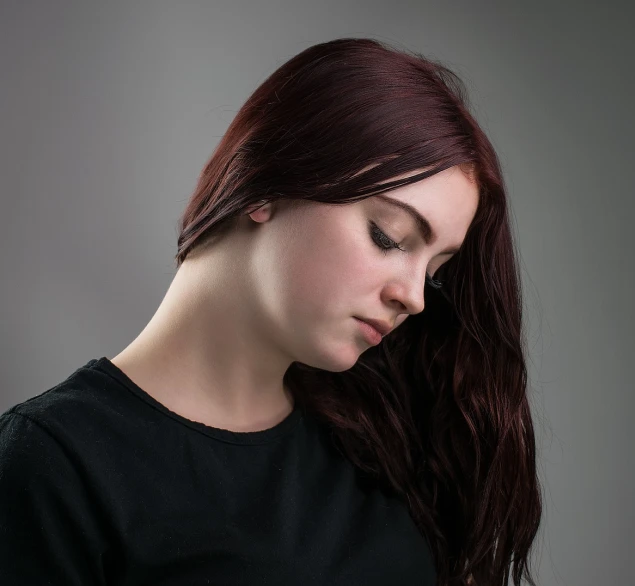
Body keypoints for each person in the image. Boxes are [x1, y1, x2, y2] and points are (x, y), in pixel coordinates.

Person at [0, 38, 542, 585]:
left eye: (435, 271)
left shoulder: (385, 438)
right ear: (267, 185)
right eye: (389, 236)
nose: (415, 296)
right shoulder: (53, 465)